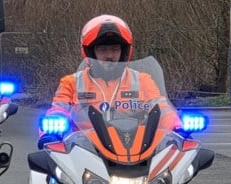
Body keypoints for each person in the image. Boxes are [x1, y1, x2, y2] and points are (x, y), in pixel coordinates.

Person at [38, 14, 182, 149]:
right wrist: (50, 132)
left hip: (136, 150)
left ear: (124, 51)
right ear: (90, 52)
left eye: (115, 49)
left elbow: (161, 108)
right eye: (103, 50)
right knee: (50, 172)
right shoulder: (71, 82)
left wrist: (177, 128)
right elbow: (58, 109)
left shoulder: (142, 80)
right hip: (84, 150)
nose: (109, 55)